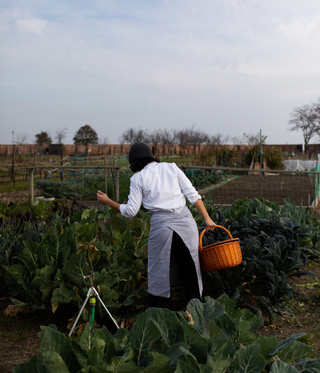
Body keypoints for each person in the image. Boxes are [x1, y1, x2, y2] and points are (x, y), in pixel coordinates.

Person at [97, 142, 216, 308]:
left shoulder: (138, 178)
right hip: (186, 224)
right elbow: (192, 194)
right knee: (190, 267)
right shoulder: (172, 167)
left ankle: (158, 315)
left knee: (158, 271)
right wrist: (207, 218)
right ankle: (196, 313)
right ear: (150, 156)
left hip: (161, 226)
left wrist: (108, 201)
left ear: (134, 163)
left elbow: (131, 211)